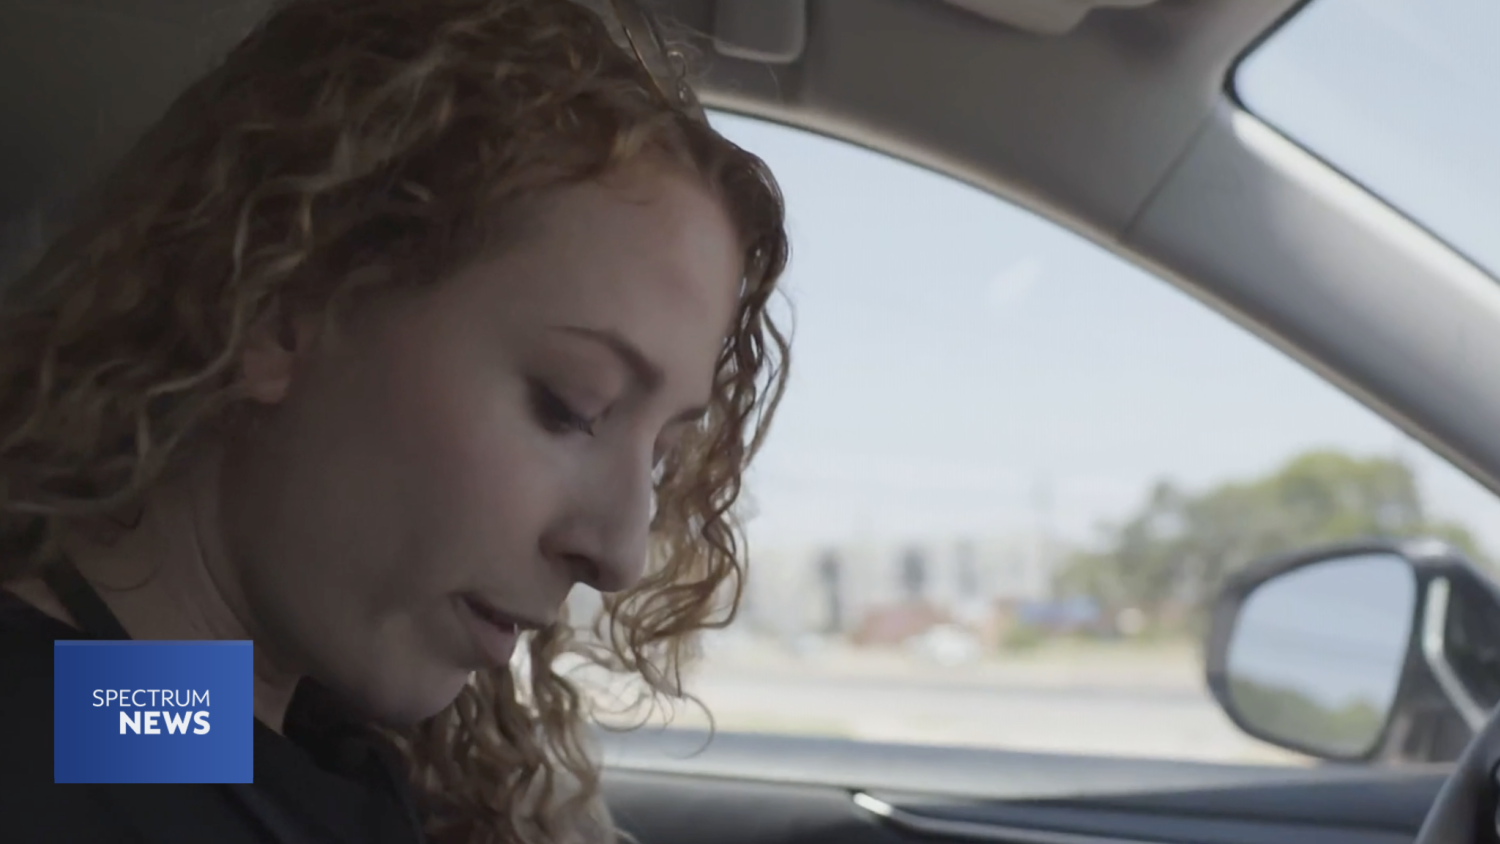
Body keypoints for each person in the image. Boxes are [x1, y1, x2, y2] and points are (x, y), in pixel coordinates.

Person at [0, 0, 789, 841]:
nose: (622, 552)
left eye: (664, 456)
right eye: (572, 405)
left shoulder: (175, 714)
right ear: (278, 305)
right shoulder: (57, 746)